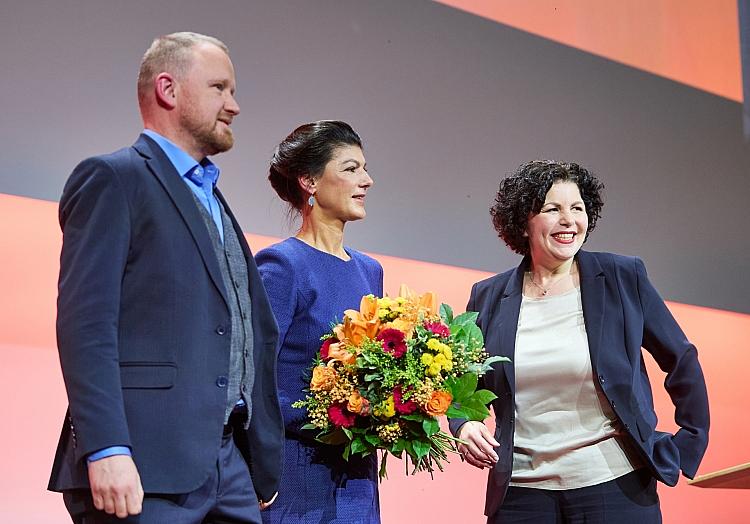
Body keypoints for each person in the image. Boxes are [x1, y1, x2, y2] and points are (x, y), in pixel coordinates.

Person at [47, 32, 283, 523]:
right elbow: (85, 326)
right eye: (220, 88)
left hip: (230, 467)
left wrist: (256, 457)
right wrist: (106, 447)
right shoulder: (114, 179)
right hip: (143, 464)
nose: (234, 105)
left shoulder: (212, 197)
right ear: (168, 90)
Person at [451, 160, 709, 523]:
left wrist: (690, 441)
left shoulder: (622, 276)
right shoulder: (488, 296)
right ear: (524, 222)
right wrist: (463, 423)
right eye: (552, 209)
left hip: (615, 487)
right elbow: (461, 385)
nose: (569, 220)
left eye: (577, 208)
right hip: (521, 495)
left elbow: (680, 357)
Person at [256, 121, 382, 523]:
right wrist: (332, 414)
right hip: (297, 473)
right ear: (309, 180)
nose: (367, 180)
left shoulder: (370, 270)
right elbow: (253, 380)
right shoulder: (281, 266)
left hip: (357, 475)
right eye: (350, 169)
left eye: (364, 168)